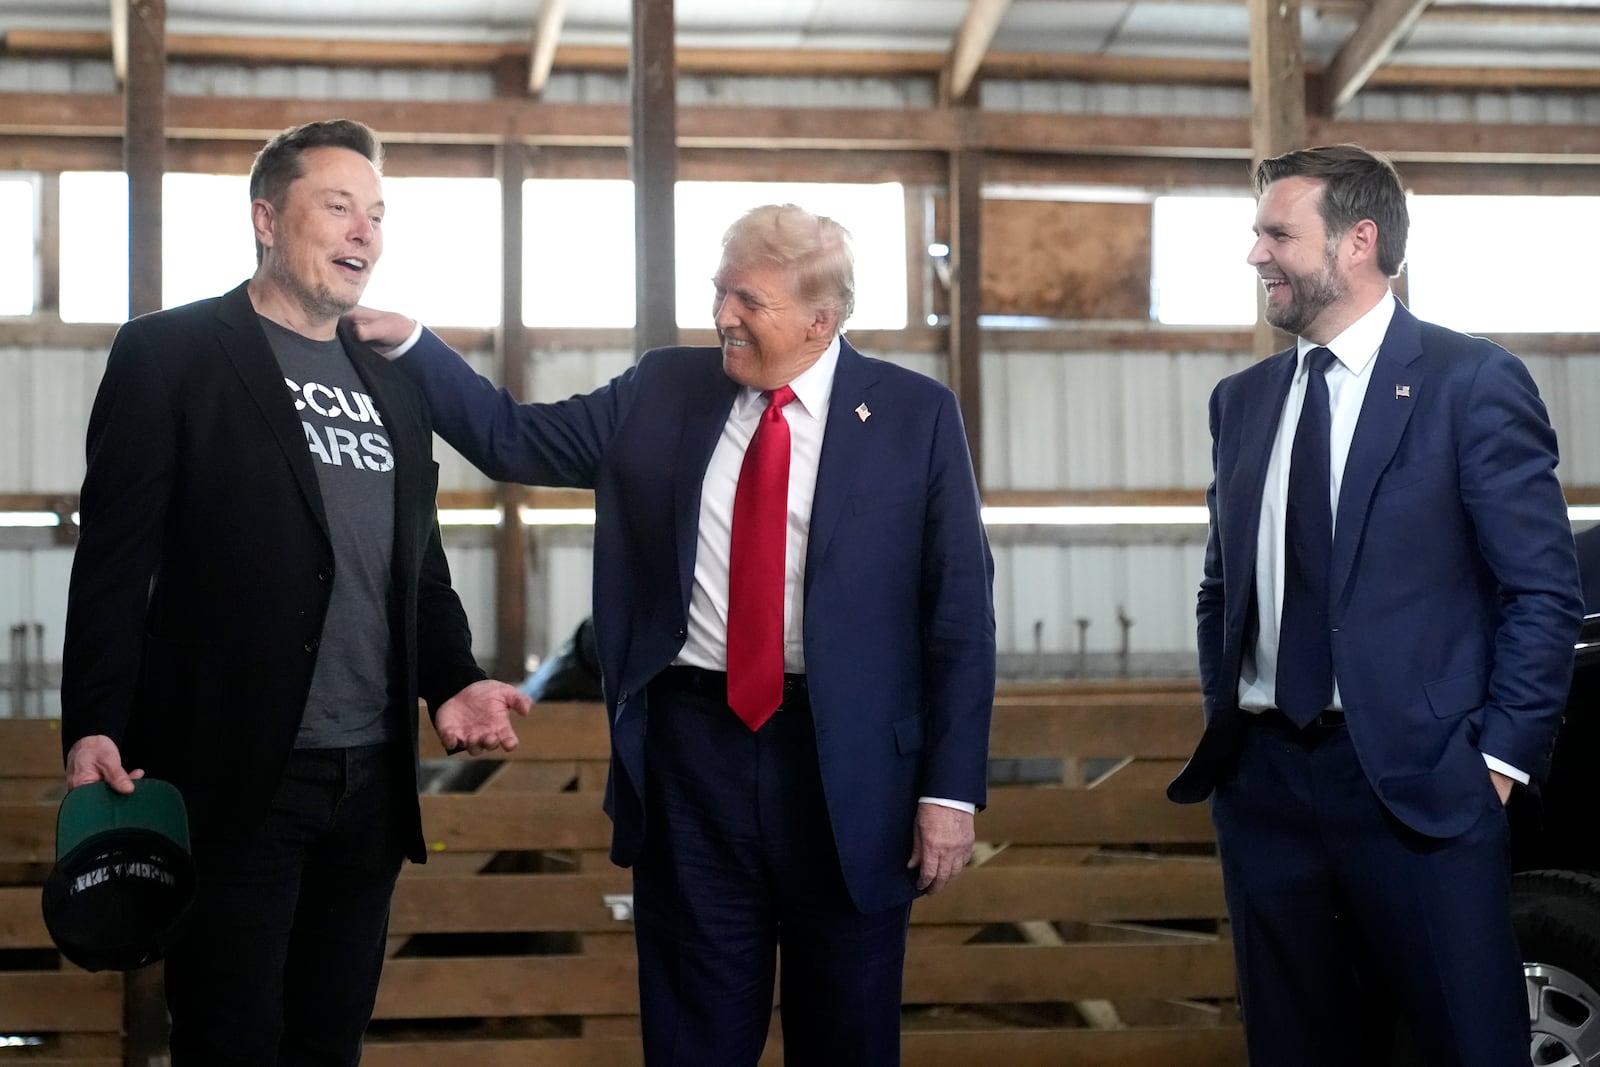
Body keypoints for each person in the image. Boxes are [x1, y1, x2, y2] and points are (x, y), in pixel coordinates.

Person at [347, 203, 996, 1066]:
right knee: (693, 1035)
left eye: (748, 300)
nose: (723, 314)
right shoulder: (663, 388)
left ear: (821, 319)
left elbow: (959, 613)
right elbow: (513, 438)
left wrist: (949, 793)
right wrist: (413, 343)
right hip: (692, 758)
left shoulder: (916, 415)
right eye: (719, 290)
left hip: (853, 774)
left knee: (847, 1032)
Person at [59, 118, 532, 1066]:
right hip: (236, 770)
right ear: (267, 218)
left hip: (368, 775)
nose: (366, 231)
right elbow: (115, 557)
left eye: (378, 213)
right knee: (230, 1039)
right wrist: (94, 721)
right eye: (339, 205)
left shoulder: (391, 383)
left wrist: (455, 678)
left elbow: (417, 564)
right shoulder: (171, 353)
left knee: (329, 1038)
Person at [1167, 144, 1585, 1066]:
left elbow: (1543, 591)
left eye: (1278, 233)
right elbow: (1221, 587)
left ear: (1359, 242)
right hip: (1268, 786)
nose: (1255, 255)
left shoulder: (1470, 384)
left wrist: (1499, 762)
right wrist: (1228, 728)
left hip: (1423, 787)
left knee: (1468, 1044)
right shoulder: (1241, 402)